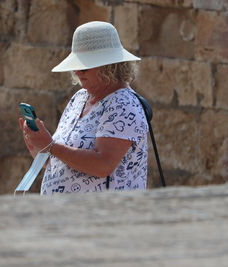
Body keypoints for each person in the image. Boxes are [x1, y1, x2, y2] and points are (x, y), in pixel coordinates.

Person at [19, 21, 148, 194]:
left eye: (84, 67)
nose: (77, 72)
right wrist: (39, 148)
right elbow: (64, 161)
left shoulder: (123, 104)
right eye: (76, 66)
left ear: (109, 66)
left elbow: (103, 165)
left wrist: (50, 146)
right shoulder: (79, 98)